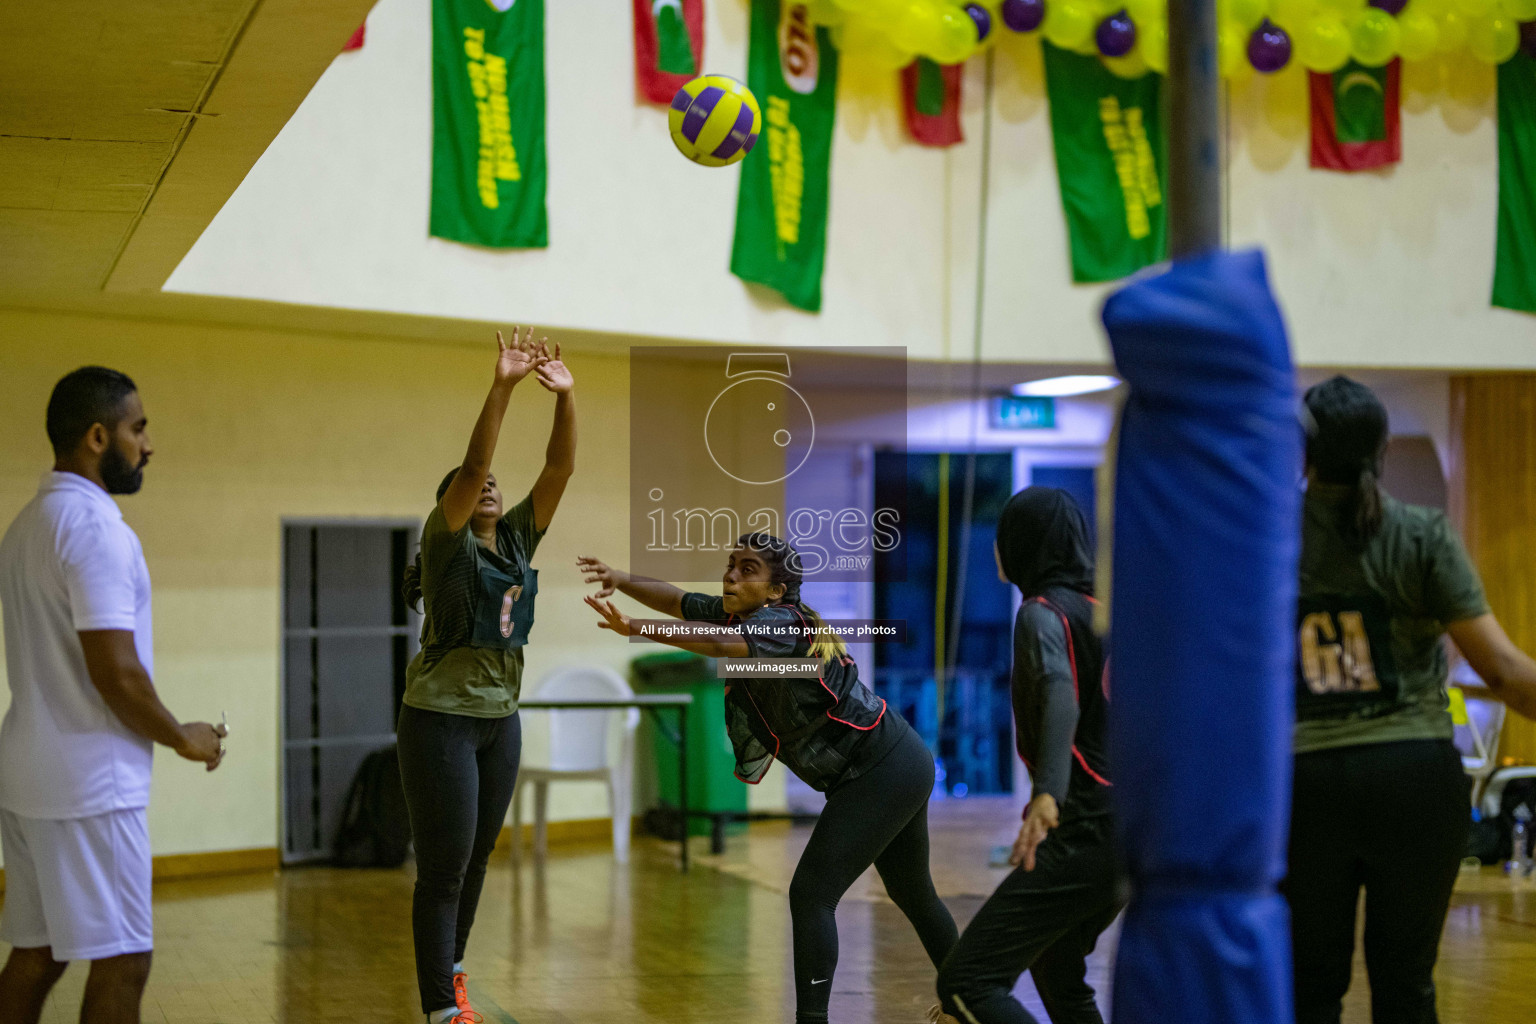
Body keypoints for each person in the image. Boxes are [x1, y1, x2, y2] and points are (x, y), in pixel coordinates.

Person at [581, 534, 960, 1024]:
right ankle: (967, 1001)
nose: (732, 576)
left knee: (812, 893)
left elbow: (718, 646)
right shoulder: (740, 614)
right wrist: (620, 579)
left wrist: (632, 626)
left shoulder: (782, 624)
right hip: (892, 762)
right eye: (730, 566)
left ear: (776, 591)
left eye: (747, 569)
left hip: (883, 767)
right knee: (911, 891)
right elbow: (676, 599)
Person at [1288, 376, 1536, 1024]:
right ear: (1383, 447)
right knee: (1406, 988)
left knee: (1308, 990)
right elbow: (1506, 672)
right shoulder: (1420, 534)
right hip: (1414, 780)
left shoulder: (1267, 539)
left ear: (1301, 452)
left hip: (1304, 785)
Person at [0, 367, 227, 1024]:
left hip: (28, 775)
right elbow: (115, 672)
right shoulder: (96, 531)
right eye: (138, 429)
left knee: (36, 956)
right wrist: (182, 734)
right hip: (90, 786)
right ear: (99, 436)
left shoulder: (24, 527)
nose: (148, 445)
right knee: (124, 960)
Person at [397, 327, 575, 1024]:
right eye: (476, 487)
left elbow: (557, 473)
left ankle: (454, 977)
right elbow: (474, 463)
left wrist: (565, 399)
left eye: (497, 484)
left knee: (475, 865)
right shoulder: (446, 546)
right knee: (442, 872)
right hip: (440, 719)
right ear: (456, 504)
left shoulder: (521, 537)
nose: (490, 485)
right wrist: (501, 386)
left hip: (501, 721)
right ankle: (440, 1009)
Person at [933, 487, 1122, 1024]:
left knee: (966, 981)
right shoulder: (1101, 613)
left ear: (1022, 545)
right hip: (1128, 827)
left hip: (1083, 827)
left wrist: (1047, 796)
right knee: (1058, 964)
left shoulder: (1041, 614)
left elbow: (1060, 699)